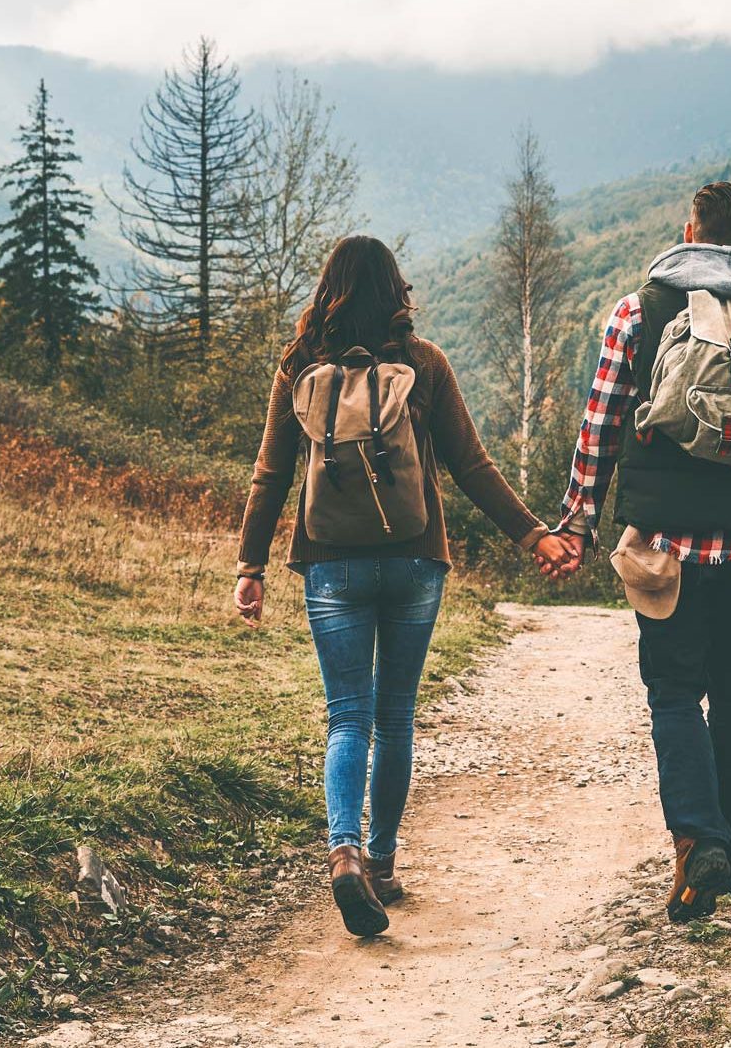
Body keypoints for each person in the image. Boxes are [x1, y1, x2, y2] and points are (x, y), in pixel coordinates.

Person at [235, 235, 574, 937]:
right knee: (393, 714)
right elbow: (472, 464)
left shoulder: (299, 366)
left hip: (330, 561)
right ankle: (384, 862)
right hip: (416, 558)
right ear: (397, 294)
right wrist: (534, 533)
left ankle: (344, 853)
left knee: (347, 715)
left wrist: (250, 566)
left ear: (328, 292)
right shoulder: (423, 365)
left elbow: (270, 473)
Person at [546, 182, 731, 922]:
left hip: (666, 546)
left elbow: (601, 424)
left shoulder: (639, 310)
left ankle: (695, 841)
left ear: (688, 230)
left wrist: (579, 518)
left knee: (674, 691)